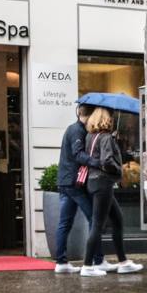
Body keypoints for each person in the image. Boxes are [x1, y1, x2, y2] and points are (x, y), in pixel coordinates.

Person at [82, 108, 143, 277]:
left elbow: (96, 153)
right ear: (106, 120)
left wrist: (112, 142)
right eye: (109, 118)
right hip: (103, 183)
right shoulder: (106, 138)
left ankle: (123, 262)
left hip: (92, 182)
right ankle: (87, 266)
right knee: (98, 225)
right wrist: (119, 169)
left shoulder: (90, 137)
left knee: (117, 220)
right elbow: (107, 160)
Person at [55, 104, 106, 273]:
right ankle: (95, 261)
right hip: (74, 182)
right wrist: (99, 162)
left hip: (65, 181)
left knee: (65, 223)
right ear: (90, 115)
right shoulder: (77, 130)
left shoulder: (73, 128)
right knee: (94, 219)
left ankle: (61, 263)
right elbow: (78, 154)